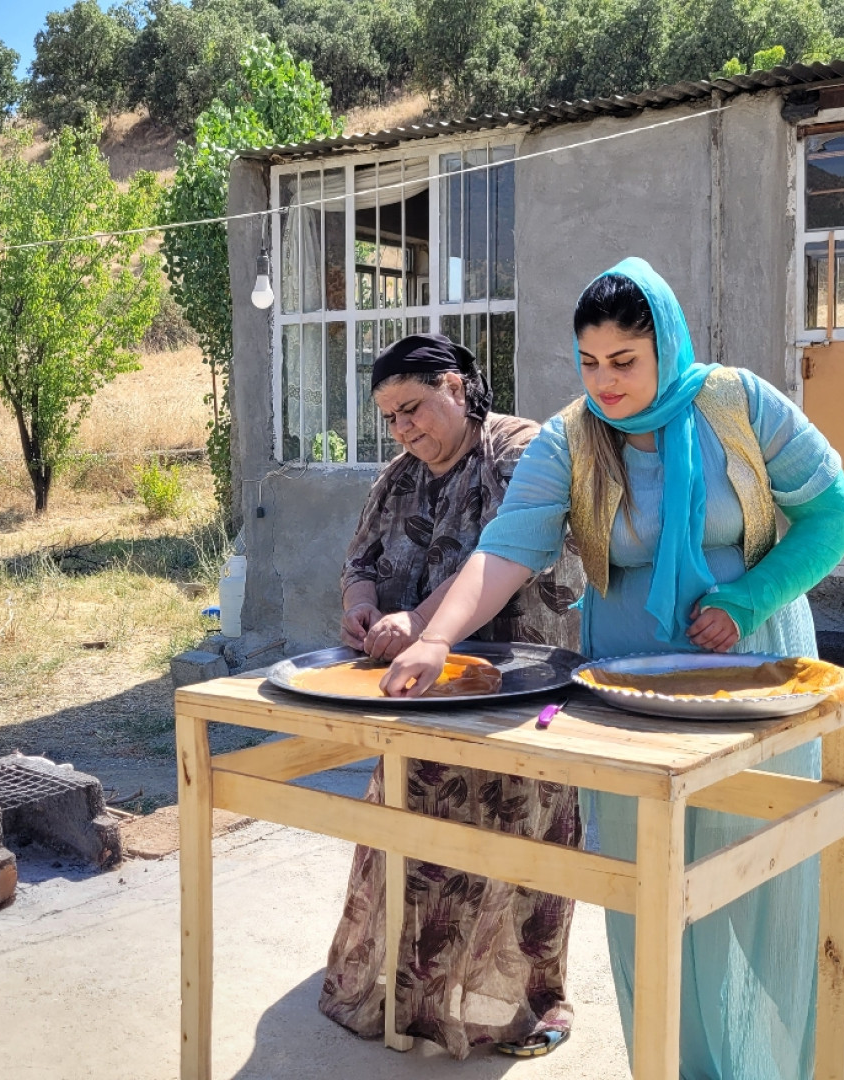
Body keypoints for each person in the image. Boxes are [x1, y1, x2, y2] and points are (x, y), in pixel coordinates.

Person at [379, 259, 844, 1078]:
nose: (605, 382)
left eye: (624, 361)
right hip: (629, 693)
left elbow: (834, 514)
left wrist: (747, 598)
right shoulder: (572, 438)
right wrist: (436, 636)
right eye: (589, 362)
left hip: (752, 679)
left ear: (666, 345)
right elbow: (505, 550)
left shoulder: (738, 405)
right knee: (654, 901)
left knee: (772, 895)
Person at [320, 332, 585, 1060]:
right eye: (390, 418)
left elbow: (508, 555)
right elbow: (361, 559)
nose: (403, 429)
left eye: (413, 408)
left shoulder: (519, 453)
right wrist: (363, 606)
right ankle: (417, 1001)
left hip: (521, 688)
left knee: (519, 839)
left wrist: (423, 622)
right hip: (420, 694)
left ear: (458, 389)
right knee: (419, 843)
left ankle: (525, 1003)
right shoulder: (399, 477)